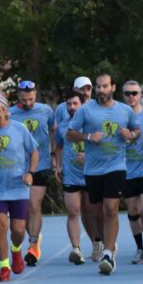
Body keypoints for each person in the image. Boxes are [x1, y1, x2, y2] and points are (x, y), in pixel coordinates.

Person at [66, 72, 140, 275]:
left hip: (116, 167)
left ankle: (108, 253)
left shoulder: (124, 110)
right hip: (92, 169)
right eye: (98, 87)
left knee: (111, 209)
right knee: (96, 212)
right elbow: (70, 134)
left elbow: (137, 130)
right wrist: (88, 136)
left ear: (113, 87)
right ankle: (107, 243)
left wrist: (131, 135)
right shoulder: (86, 110)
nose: (100, 90)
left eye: (104, 86)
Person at [0, 96, 39, 282]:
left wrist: (31, 172)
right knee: (0, 226)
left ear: (6, 112)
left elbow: (34, 151)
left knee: (18, 230)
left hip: (18, 187)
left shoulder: (20, 129)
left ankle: (16, 250)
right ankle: (4, 267)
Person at [10, 79, 56, 266]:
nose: (27, 103)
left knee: (34, 204)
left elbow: (53, 130)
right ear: (18, 97)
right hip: (19, 167)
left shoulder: (46, 110)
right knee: (25, 207)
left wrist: (53, 154)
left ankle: (33, 245)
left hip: (41, 164)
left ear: (35, 95)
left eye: (30, 99)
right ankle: (33, 236)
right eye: (24, 100)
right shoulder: (11, 113)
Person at [122, 80, 143, 263]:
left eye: (134, 93)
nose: (131, 97)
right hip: (127, 170)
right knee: (133, 210)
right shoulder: (119, 116)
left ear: (141, 94)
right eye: (127, 93)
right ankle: (139, 248)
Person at [54, 89, 88, 264]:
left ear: (82, 104)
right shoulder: (62, 125)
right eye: (69, 104)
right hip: (71, 175)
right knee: (73, 211)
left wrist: (88, 158)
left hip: (92, 174)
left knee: (93, 213)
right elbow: (58, 147)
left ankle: (101, 244)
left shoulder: (91, 122)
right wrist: (58, 165)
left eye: (75, 103)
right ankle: (76, 248)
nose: (72, 107)